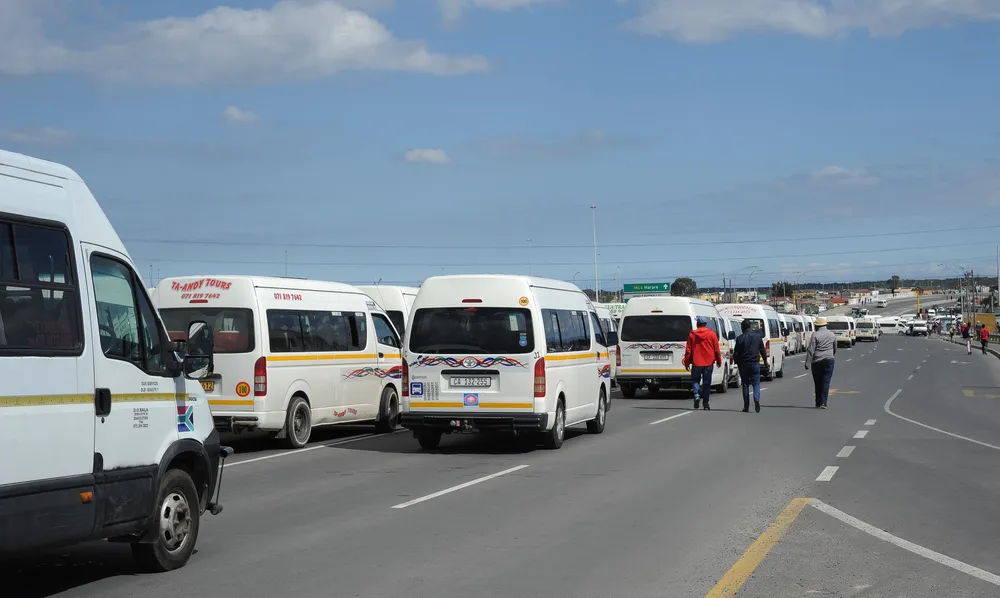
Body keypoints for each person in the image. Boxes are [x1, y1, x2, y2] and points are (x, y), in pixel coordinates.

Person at [683, 315, 722, 411]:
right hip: (708, 362)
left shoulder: (692, 334)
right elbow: (716, 349)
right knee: (707, 383)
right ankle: (706, 403)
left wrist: (687, 362)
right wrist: (719, 360)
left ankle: (696, 395)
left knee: (695, 380)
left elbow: (688, 350)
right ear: (705, 324)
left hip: (696, 362)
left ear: (697, 324)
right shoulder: (712, 334)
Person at [733, 319, 768, 413]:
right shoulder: (757, 336)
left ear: (742, 328)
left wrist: (737, 362)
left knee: (745, 384)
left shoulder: (740, 338)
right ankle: (756, 398)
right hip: (755, 363)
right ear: (750, 326)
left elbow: (736, 353)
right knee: (756, 383)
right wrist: (765, 362)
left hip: (743, 364)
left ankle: (746, 406)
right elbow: (762, 350)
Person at [805, 317, 837, 409]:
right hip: (829, 360)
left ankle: (818, 402)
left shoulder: (815, 335)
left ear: (817, 326)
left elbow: (811, 350)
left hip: (817, 361)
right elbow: (835, 347)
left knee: (818, 382)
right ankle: (823, 402)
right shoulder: (832, 335)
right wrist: (831, 355)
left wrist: (807, 363)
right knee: (826, 381)